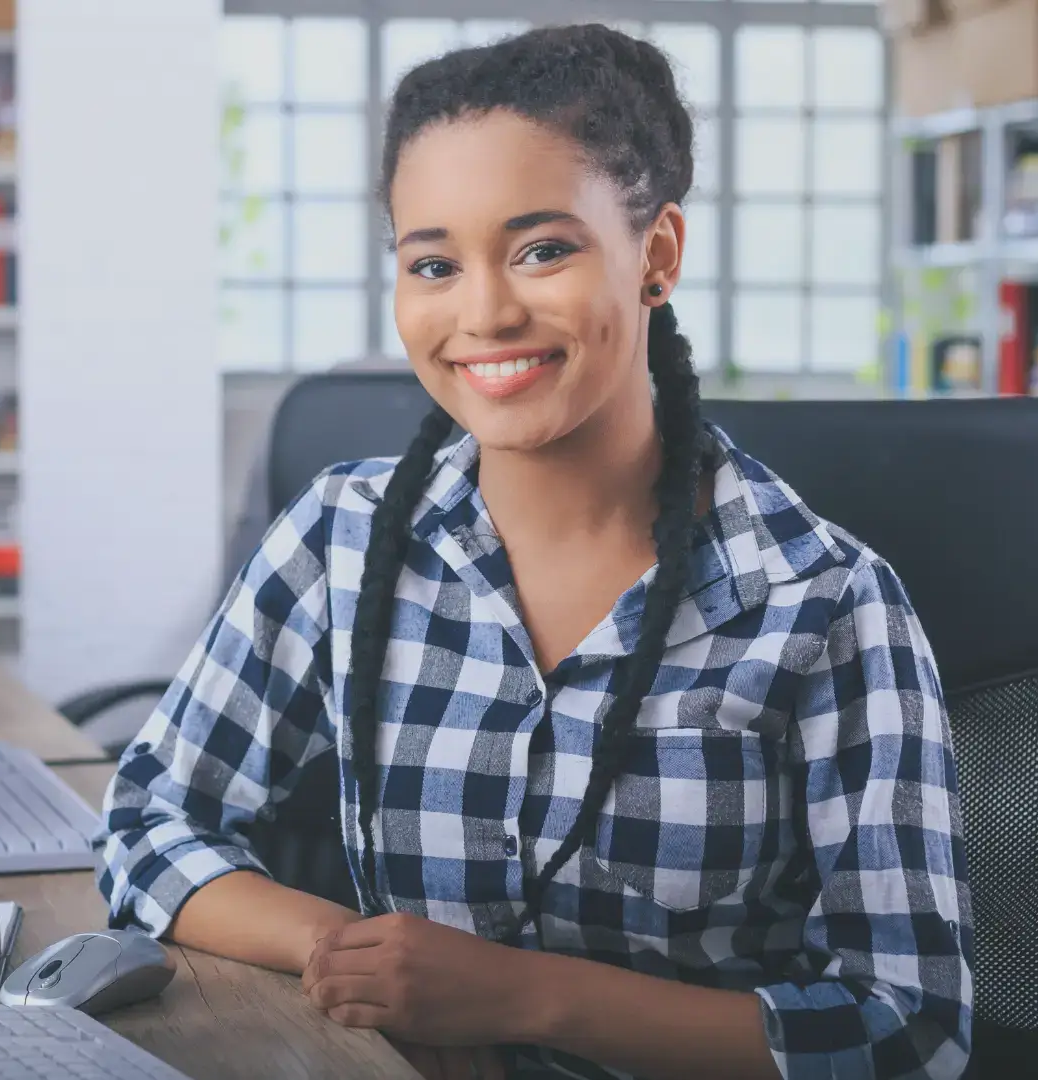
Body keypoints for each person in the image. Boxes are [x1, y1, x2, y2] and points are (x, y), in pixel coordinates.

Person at [100, 24, 971, 1080]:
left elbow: (908, 1030)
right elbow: (152, 816)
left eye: (541, 249)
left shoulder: (824, 604)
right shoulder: (342, 537)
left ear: (657, 256)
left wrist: (524, 998)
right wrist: (341, 951)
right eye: (433, 263)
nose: (484, 312)